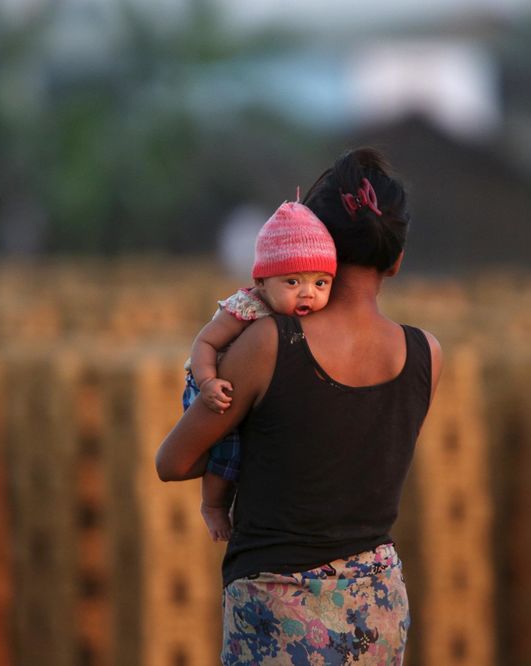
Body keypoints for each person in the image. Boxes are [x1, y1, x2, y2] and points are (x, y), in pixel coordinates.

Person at [157, 147, 442, 664]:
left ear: (315, 246)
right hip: (378, 608)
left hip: (280, 613)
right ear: (396, 260)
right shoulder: (427, 353)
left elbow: (173, 462)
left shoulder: (270, 343)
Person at [184, 200, 337, 541]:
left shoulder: (311, 317)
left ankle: (244, 507)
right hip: (216, 387)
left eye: (321, 284)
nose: (307, 293)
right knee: (229, 448)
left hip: (255, 390)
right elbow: (203, 344)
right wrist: (208, 381)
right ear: (262, 281)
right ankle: (211, 505)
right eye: (293, 281)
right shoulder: (245, 308)